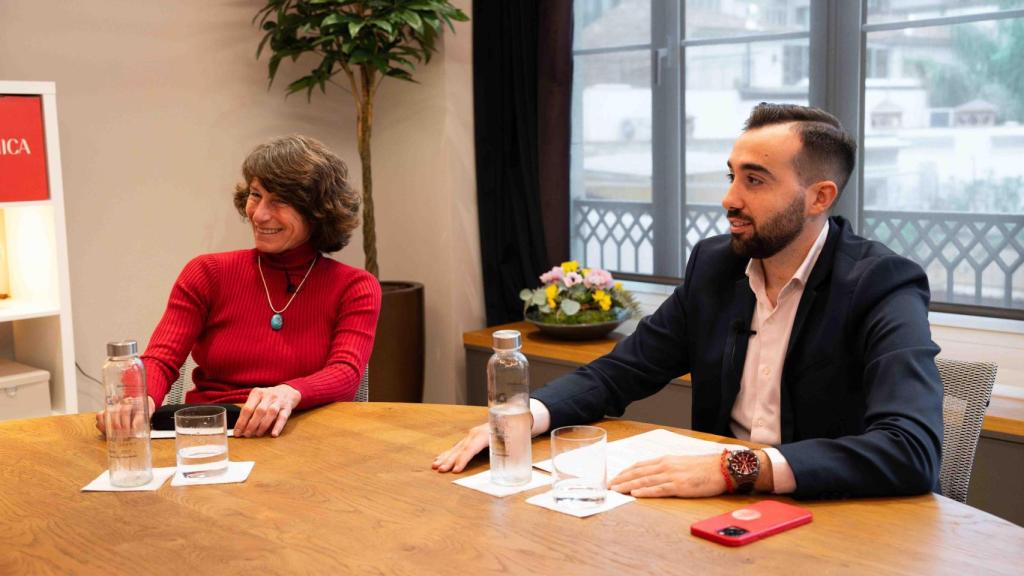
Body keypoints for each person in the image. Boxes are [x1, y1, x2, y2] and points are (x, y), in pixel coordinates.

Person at [434, 103, 943, 499]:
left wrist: (735, 469)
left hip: (832, 517)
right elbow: (620, 373)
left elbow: (910, 450)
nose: (729, 198)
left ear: (820, 197)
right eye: (732, 175)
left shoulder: (883, 284)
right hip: (720, 517)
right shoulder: (716, 267)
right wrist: (528, 415)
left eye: (755, 180)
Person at [96, 135, 381, 438]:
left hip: (306, 435)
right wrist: (139, 401)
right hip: (212, 434)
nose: (259, 214)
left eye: (280, 201)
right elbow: (162, 359)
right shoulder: (207, 273)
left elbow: (346, 373)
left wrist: (288, 393)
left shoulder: (355, 287)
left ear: (318, 211)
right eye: (256, 195)